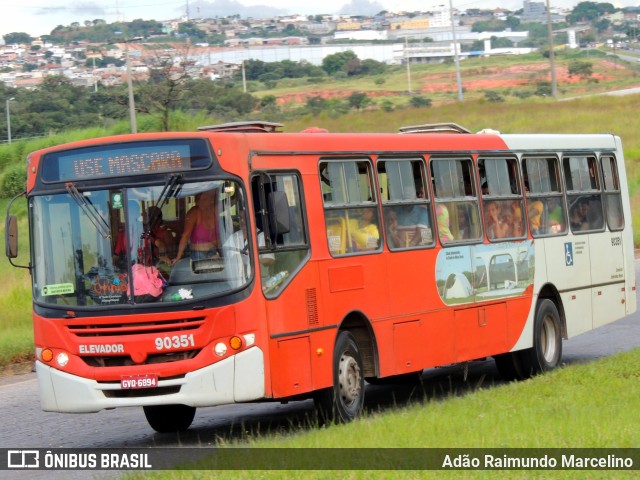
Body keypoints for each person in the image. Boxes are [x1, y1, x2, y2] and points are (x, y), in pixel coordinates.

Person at [171, 190, 221, 265]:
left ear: (211, 200)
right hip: (198, 254)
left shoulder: (216, 210)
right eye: (197, 199)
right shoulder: (194, 212)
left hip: (214, 252)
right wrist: (179, 256)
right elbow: (186, 235)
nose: (199, 202)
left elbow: (230, 202)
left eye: (204, 199)